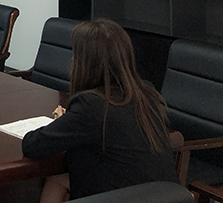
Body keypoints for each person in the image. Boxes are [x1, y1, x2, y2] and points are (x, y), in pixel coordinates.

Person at [21, 18, 178, 202]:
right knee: (59, 179)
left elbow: (32, 145)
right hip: (163, 196)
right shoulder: (146, 94)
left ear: (84, 62)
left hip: (120, 196)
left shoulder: (91, 105)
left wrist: (60, 123)